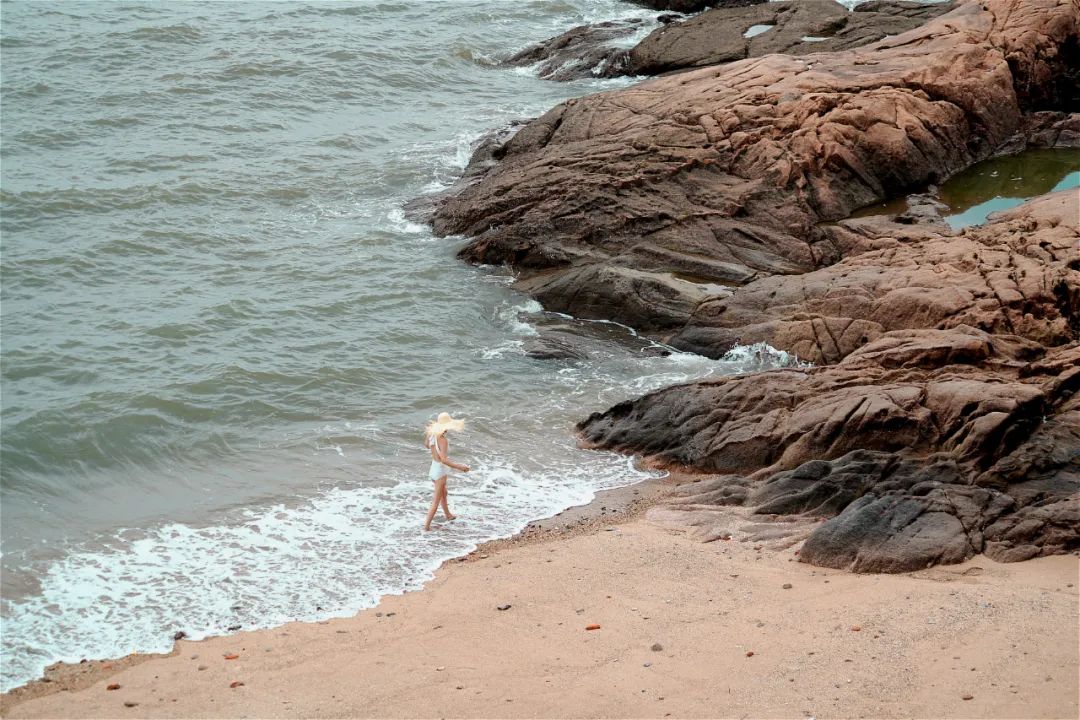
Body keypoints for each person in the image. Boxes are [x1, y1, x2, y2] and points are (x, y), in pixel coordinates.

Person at [423, 412, 469, 531]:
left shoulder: (431, 434)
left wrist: (434, 450)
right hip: (440, 470)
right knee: (435, 501)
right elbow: (444, 460)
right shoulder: (443, 440)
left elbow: (427, 445)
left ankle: (448, 515)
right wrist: (460, 467)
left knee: (444, 492)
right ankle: (426, 527)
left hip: (433, 467)